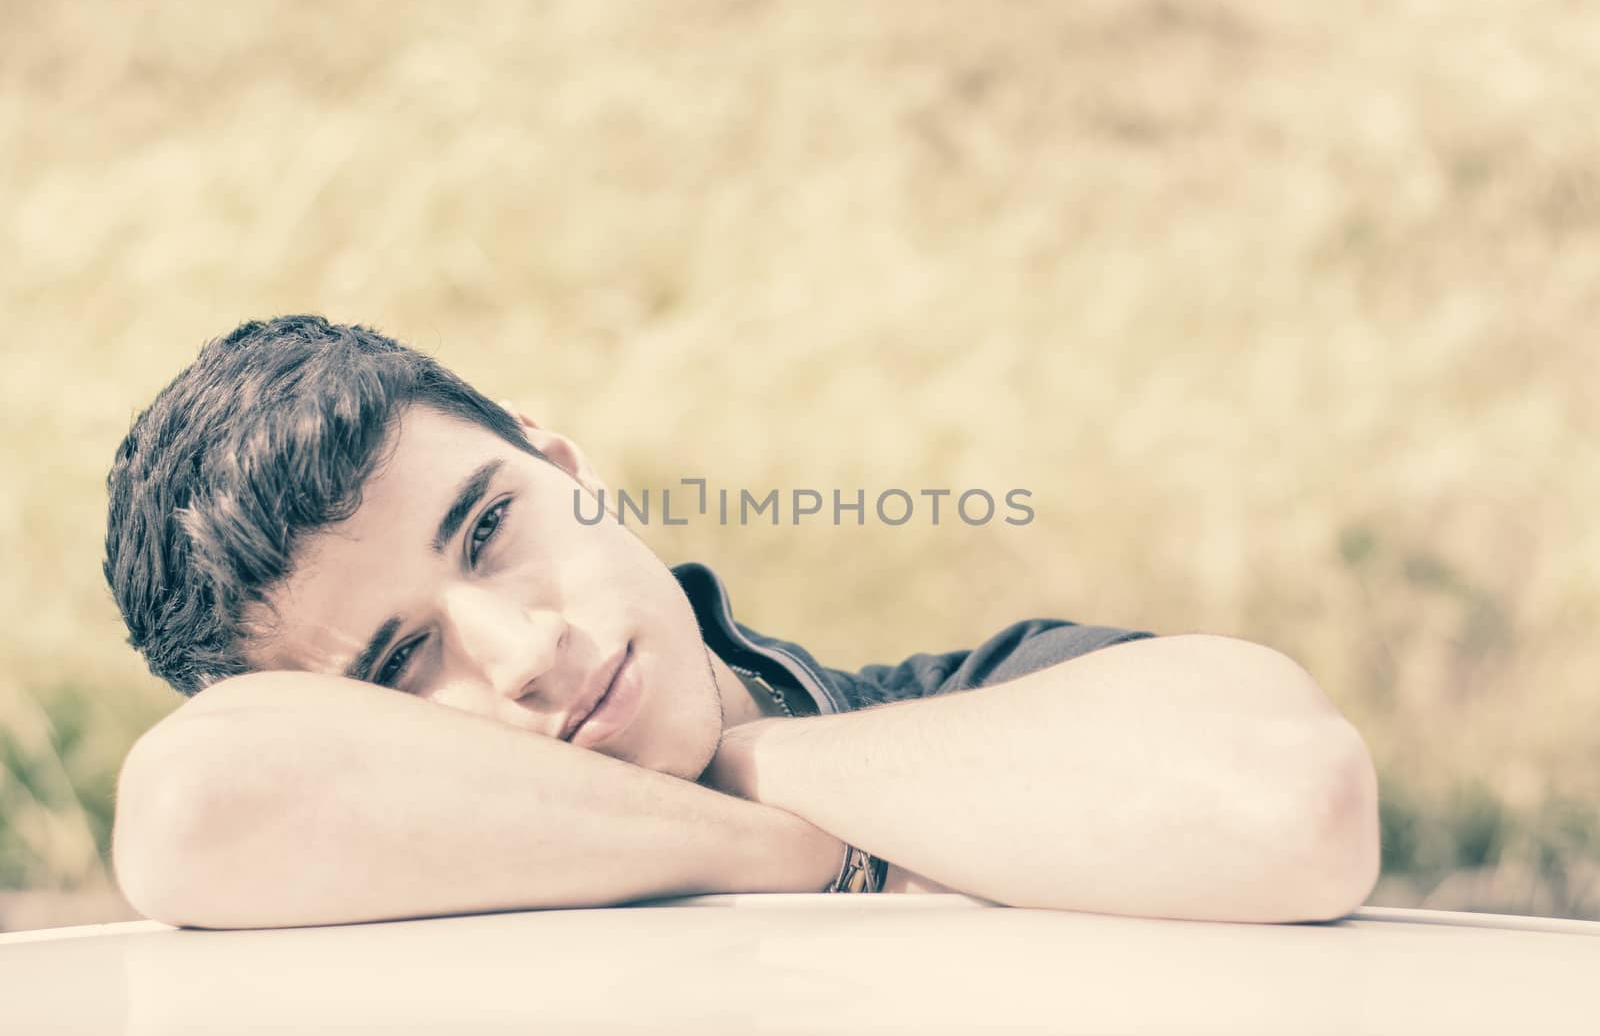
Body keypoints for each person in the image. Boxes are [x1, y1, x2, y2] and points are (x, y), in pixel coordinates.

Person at [103, 316, 1380, 929]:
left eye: (490, 527)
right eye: (398, 660)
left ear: (572, 466)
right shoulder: (359, 904)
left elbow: (1292, 800)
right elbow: (189, 809)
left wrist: (751, 756)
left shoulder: (969, 706)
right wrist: (805, 856)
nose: (523, 648)